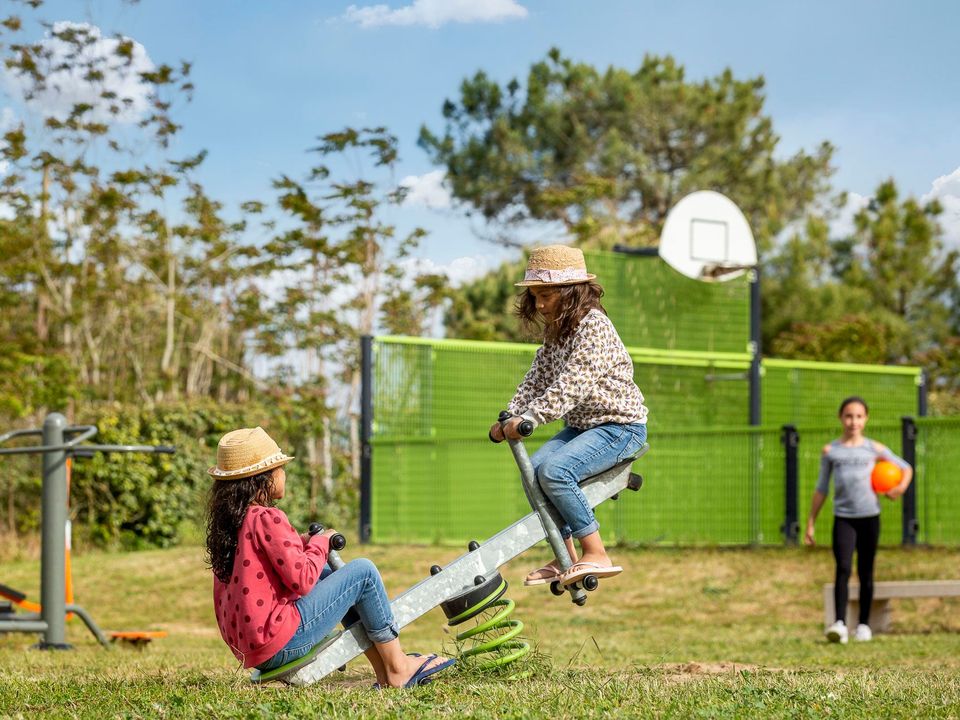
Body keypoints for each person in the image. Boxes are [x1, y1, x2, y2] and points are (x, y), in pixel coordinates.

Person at [204, 426, 454, 687]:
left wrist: (302, 542)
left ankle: (384, 670)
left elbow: (270, 558)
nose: (284, 474)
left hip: (255, 649)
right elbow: (302, 580)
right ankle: (398, 667)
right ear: (264, 479)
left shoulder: (233, 524)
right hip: (280, 642)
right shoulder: (267, 517)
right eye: (281, 468)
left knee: (333, 576)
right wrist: (321, 543)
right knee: (362, 572)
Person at [489, 245, 648, 588]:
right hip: (582, 427)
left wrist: (534, 417)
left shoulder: (595, 328)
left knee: (556, 471)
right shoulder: (556, 333)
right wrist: (511, 416)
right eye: (535, 296)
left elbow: (572, 384)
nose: (540, 304)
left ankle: (596, 552)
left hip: (619, 427)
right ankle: (566, 555)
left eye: (545, 295)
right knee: (533, 473)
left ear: (570, 292)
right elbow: (538, 377)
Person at [803, 396, 913, 643]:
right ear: (841, 418)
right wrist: (811, 521)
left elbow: (906, 468)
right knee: (842, 568)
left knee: (866, 570)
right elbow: (821, 488)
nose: (854, 421)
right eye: (849, 416)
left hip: (869, 518)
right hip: (844, 518)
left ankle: (863, 625)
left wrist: (899, 488)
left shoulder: (874, 449)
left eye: (859, 416)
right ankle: (840, 624)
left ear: (866, 419)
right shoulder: (831, 451)